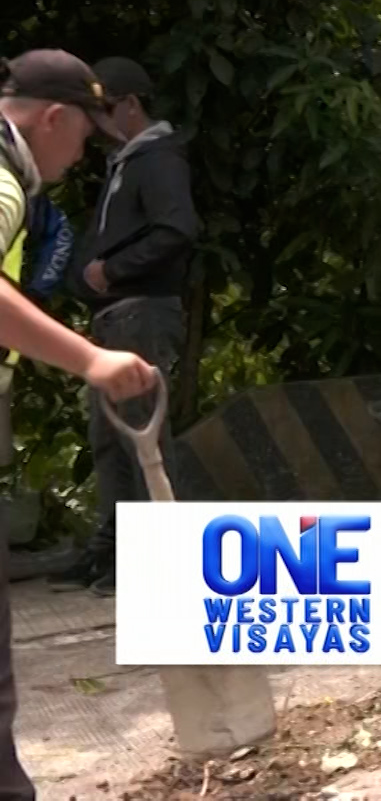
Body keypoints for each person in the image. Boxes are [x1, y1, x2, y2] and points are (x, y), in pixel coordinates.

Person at [0, 48, 160, 801]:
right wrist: (91, 359)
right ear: (54, 118)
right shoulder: (2, 183)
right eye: (81, 139)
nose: (81, 155)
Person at [51, 57, 196, 599]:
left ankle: (159, 558)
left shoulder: (157, 159)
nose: (100, 124)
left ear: (131, 105)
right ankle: (113, 548)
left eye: (106, 110)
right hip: (114, 315)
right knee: (109, 439)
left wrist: (113, 269)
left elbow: (177, 229)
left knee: (143, 436)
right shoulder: (125, 162)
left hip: (143, 310)